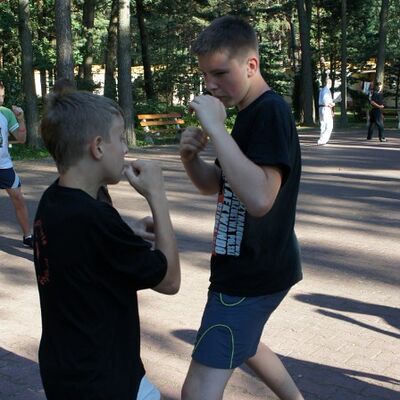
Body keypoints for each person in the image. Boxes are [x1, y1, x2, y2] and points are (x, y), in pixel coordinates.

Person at [179, 16, 303, 400]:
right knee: (245, 343)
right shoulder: (248, 114)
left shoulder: (269, 112)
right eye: (205, 75)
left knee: (197, 390)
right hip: (248, 266)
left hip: (250, 275)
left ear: (251, 65)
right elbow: (218, 184)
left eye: (220, 73)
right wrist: (190, 159)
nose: (210, 85)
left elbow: (261, 198)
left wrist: (217, 130)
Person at [34, 90, 180, 400]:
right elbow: (169, 281)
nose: (126, 148)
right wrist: (157, 195)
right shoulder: (95, 219)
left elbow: (83, 249)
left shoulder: (53, 200)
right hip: (106, 380)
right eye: (120, 138)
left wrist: (127, 232)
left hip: (65, 372)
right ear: (98, 147)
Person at [0, 81, 33, 248]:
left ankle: (28, 236)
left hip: (4, 166)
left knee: (18, 198)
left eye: (2, 94)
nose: (1, 98)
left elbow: (21, 139)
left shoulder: (6, 113)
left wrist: (21, 119)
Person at [317, 78, 335, 145]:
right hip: (326, 108)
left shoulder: (322, 90)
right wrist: (332, 104)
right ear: (329, 83)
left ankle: (321, 139)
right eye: (330, 83)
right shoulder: (326, 90)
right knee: (329, 125)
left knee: (323, 125)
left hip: (321, 108)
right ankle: (322, 140)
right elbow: (326, 101)